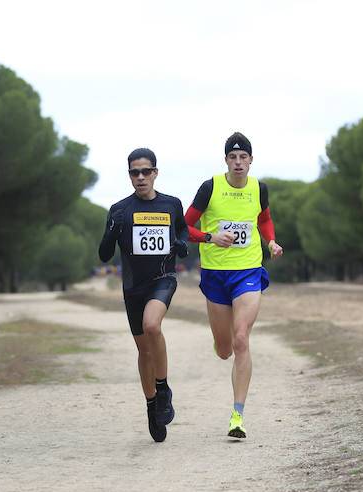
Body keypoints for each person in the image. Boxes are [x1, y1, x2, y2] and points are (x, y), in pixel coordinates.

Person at [184, 132, 283, 439]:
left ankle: (237, 415)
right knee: (225, 349)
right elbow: (183, 226)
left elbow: (263, 219)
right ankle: (221, 342)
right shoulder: (210, 187)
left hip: (248, 271)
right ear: (225, 160)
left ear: (251, 160)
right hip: (215, 274)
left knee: (241, 339)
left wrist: (271, 241)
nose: (238, 162)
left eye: (244, 157)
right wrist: (210, 237)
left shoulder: (259, 188)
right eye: (233, 157)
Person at [98, 148, 188, 443]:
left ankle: (162, 390)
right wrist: (112, 230)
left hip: (163, 279)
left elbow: (183, 231)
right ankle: (151, 405)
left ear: (155, 173)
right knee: (143, 351)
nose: (140, 177)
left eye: (145, 171)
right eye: (134, 172)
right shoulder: (120, 209)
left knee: (153, 326)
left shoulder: (171, 204)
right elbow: (103, 254)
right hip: (133, 287)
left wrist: (182, 244)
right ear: (129, 175)